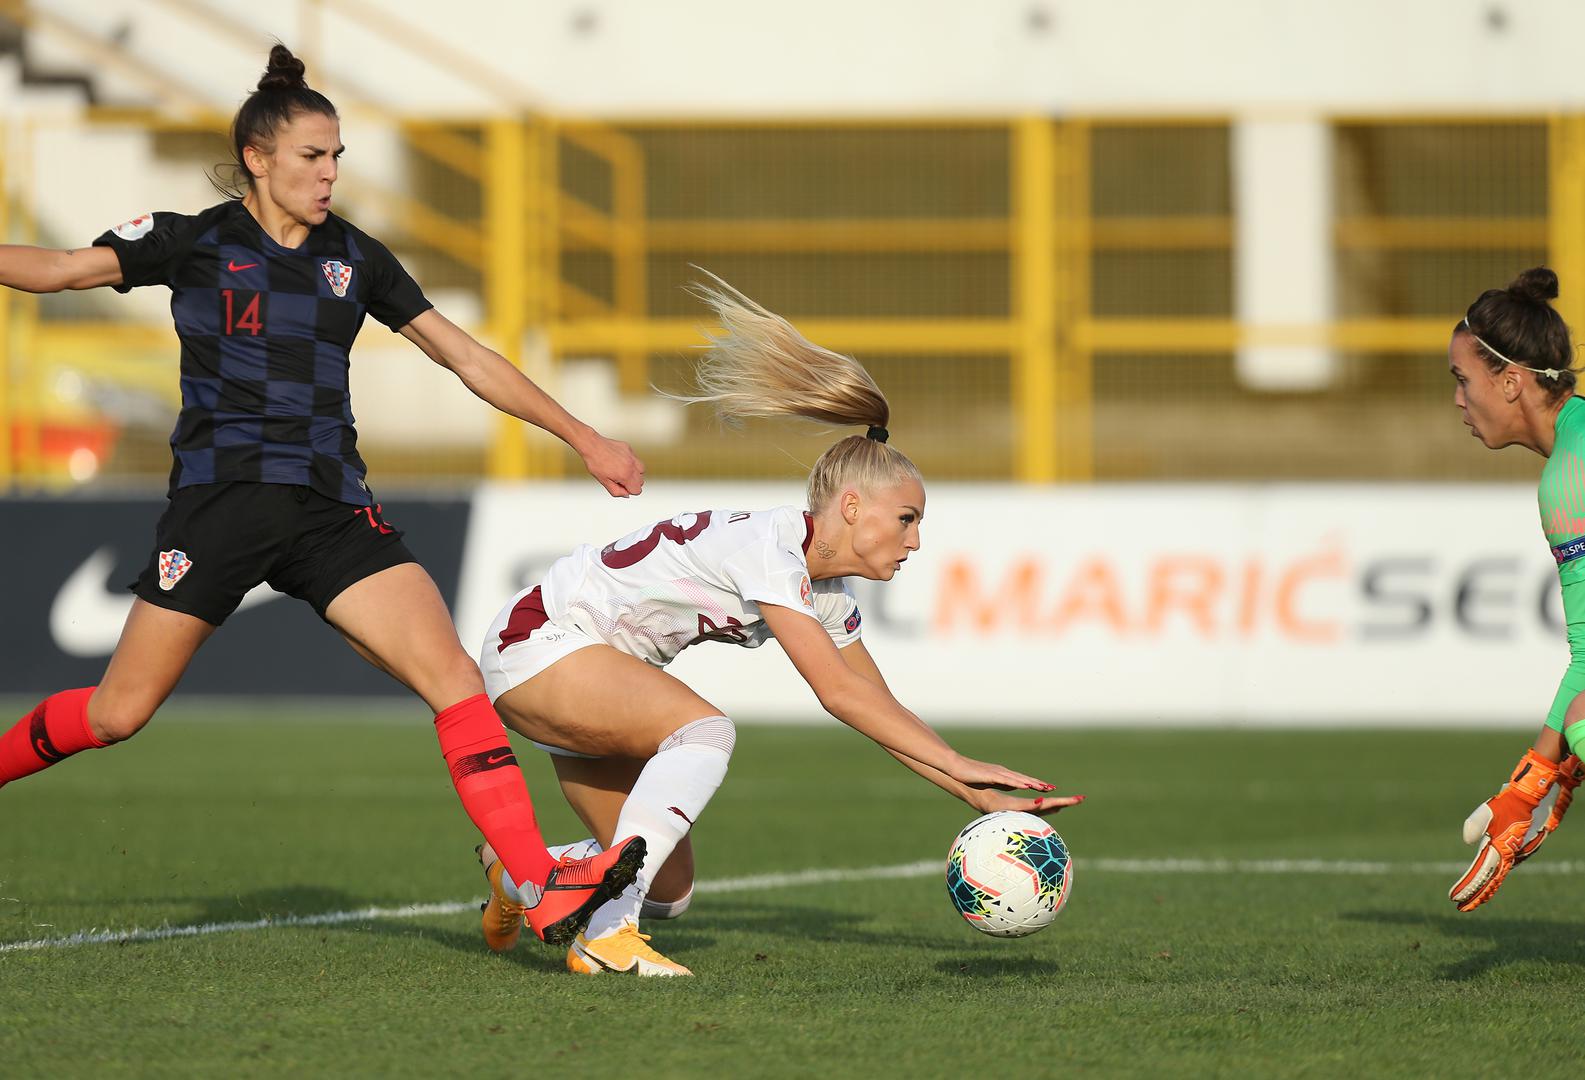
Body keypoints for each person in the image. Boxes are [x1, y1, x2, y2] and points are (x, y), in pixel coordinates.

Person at [0, 45, 648, 946]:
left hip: (331, 511)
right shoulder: (192, 240)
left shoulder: (357, 257)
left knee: (454, 678)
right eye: (314, 156)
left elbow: (465, 357)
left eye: (338, 155)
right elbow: (63, 268)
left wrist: (584, 435)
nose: (331, 173)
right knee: (117, 715)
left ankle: (537, 882)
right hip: (219, 509)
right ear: (258, 159)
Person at [470, 275, 1083, 976]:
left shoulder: (824, 593)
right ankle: (605, 941)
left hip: (588, 676)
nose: (914, 541)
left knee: (669, 891)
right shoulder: (771, 547)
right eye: (906, 519)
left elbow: (872, 703)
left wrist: (964, 788)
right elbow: (835, 692)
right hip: (542, 647)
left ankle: (518, 871)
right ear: (851, 507)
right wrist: (956, 762)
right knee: (705, 730)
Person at [1447, 266, 1585, 911]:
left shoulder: (1567, 484)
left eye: (1462, 380)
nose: (1458, 400)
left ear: (1510, 381)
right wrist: (1530, 780)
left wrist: (1528, 785)